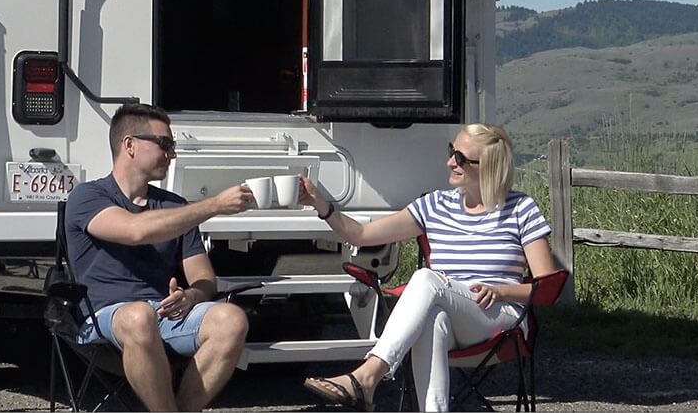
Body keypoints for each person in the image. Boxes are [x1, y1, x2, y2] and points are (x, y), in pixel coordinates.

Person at [301, 123, 556, 412]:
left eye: (460, 158)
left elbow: (546, 288)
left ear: (489, 167)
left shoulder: (521, 208)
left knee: (425, 279)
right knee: (433, 319)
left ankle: (367, 376)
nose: (450, 162)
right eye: (452, 152)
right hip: (450, 310)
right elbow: (361, 235)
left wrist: (501, 291)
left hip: (500, 317)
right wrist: (321, 204)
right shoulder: (435, 205)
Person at [64, 103, 254, 411]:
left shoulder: (175, 207)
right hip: (103, 318)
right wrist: (214, 205)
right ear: (130, 145)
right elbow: (136, 230)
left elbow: (206, 280)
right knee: (139, 316)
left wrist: (190, 296)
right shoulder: (87, 196)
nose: (172, 154)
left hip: (165, 316)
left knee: (232, 320)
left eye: (173, 146)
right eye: (165, 144)